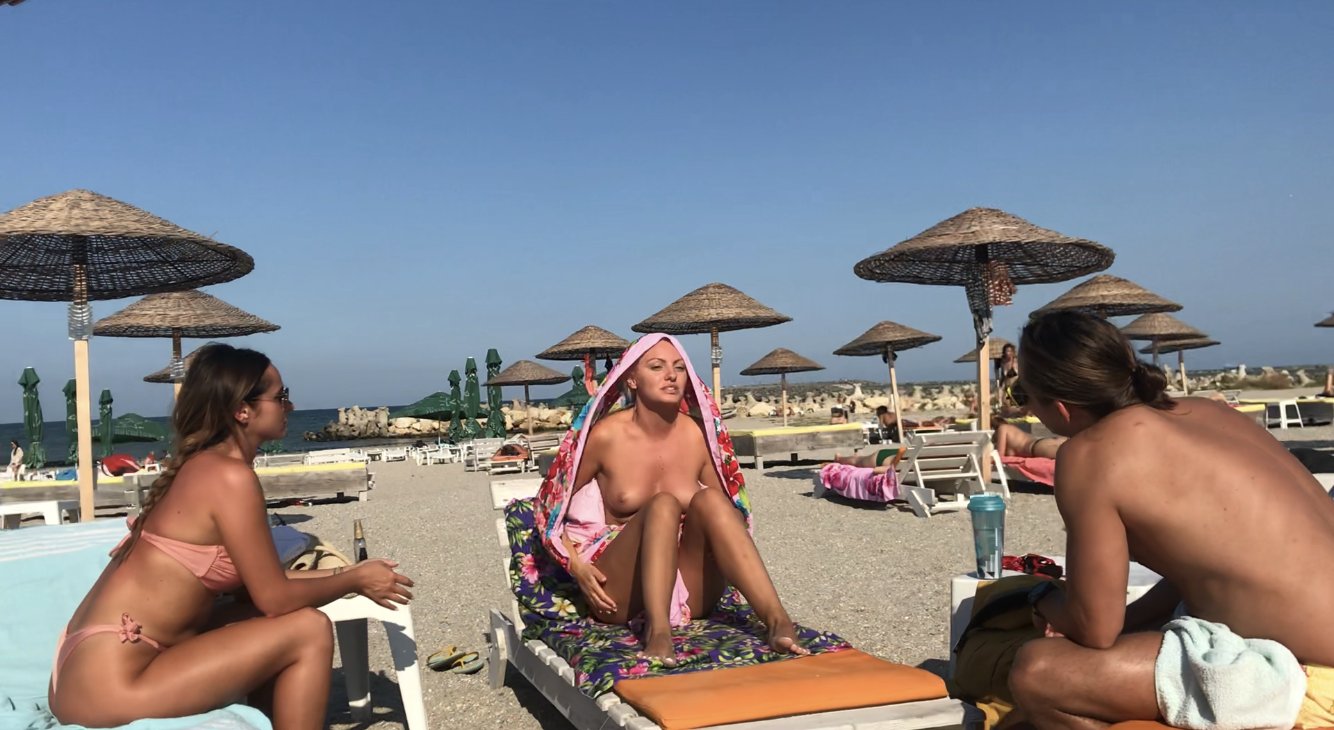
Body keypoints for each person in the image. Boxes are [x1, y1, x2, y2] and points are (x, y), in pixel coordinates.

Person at [48, 344, 414, 729]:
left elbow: (264, 586)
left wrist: (352, 574)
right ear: (242, 410)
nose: (290, 406)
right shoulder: (230, 477)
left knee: (270, 620)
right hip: (108, 686)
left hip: (83, 673)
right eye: (281, 396)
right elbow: (276, 597)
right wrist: (354, 580)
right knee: (309, 628)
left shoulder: (200, 467)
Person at [1006, 311, 1334, 728]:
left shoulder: (1089, 455)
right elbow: (1207, 565)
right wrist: (1129, 619)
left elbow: (1095, 628)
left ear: (1061, 408)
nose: (1026, 407)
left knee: (1037, 673)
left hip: (1309, 678)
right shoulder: (1207, 412)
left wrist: (1041, 598)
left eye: (1022, 394)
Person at [539, 335, 807, 665]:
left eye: (679, 368)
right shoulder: (606, 436)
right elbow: (548, 508)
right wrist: (575, 565)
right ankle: (659, 632)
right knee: (663, 504)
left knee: (711, 501)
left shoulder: (698, 435)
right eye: (657, 367)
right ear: (632, 379)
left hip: (691, 584)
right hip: (622, 590)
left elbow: (732, 512)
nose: (671, 376)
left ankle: (777, 620)